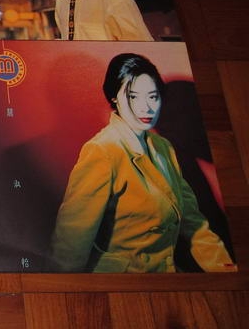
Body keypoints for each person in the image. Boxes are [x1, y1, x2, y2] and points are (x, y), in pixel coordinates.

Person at [50, 54, 235, 273]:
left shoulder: (163, 147)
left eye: (153, 97)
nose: (146, 108)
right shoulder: (102, 151)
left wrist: (226, 269)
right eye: (133, 97)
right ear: (114, 98)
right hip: (121, 280)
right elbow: (71, 241)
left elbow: (193, 222)